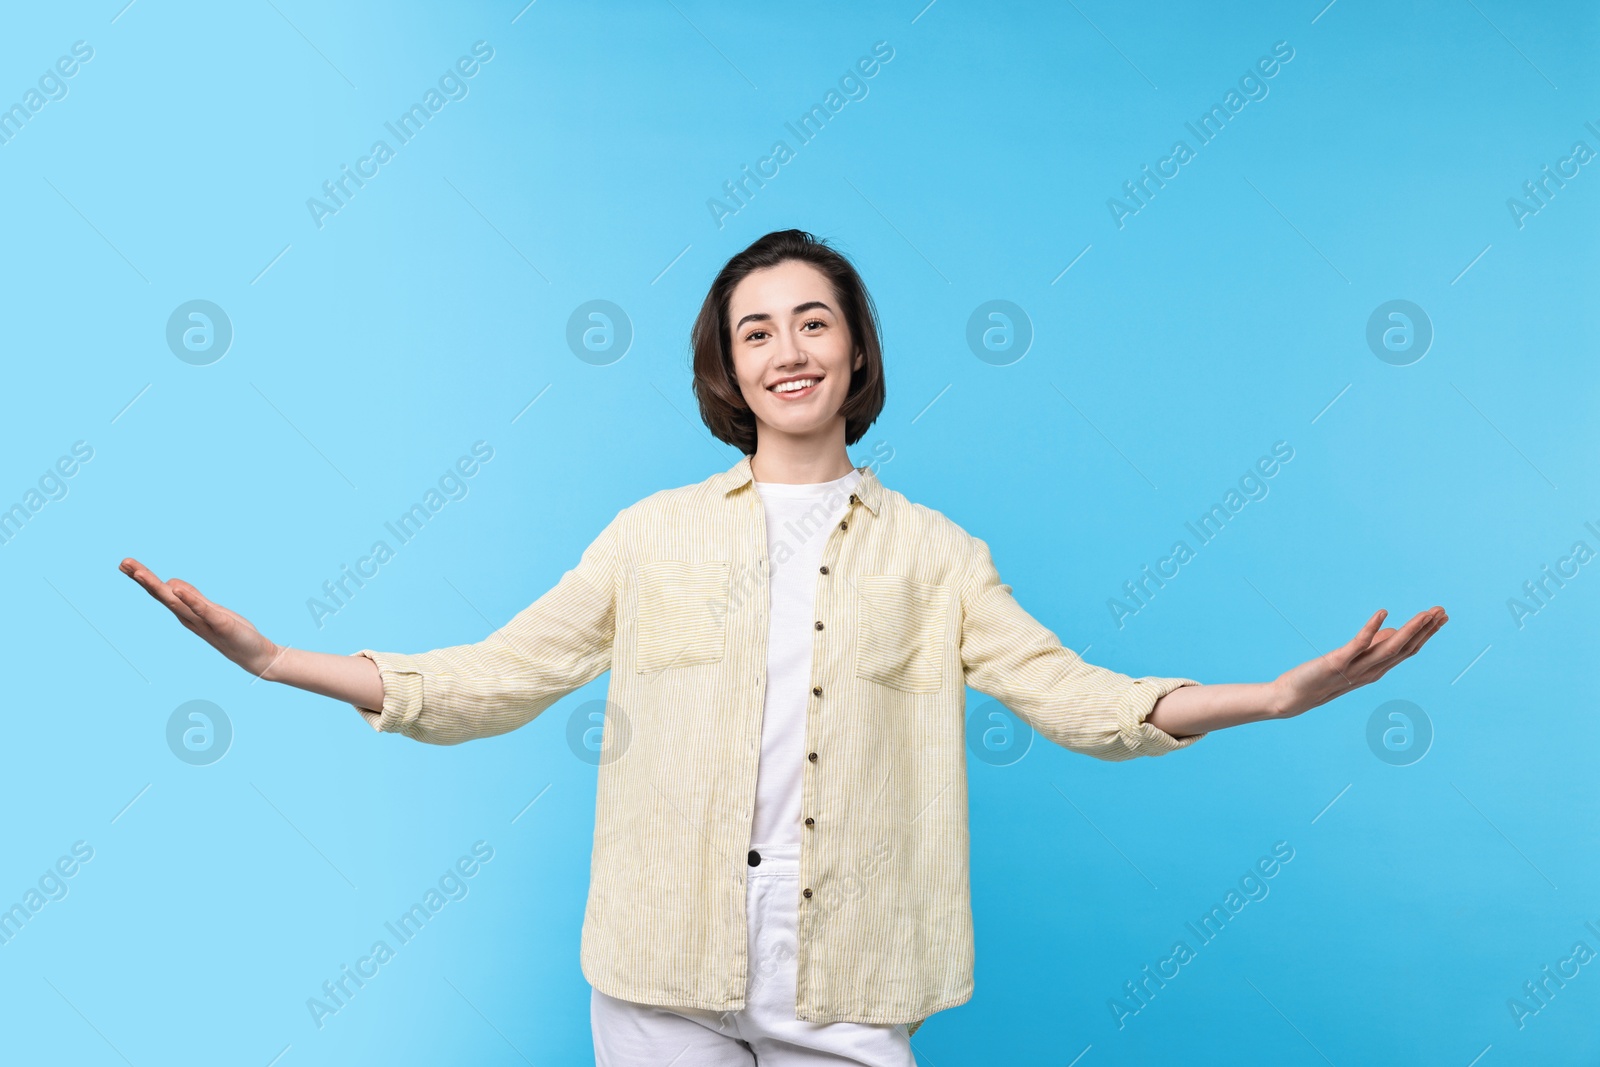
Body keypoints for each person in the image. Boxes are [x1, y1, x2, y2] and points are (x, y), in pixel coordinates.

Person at [119, 228, 1447, 1066]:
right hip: (657, 981)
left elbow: (1082, 701)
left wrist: (1274, 698)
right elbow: (488, 679)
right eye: (757, 330)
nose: (787, 350)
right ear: (726, 367)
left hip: (853, 984)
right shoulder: (646, 538)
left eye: (813, 321)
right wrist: (280, 662)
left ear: (856, 348)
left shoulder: (936, 553)